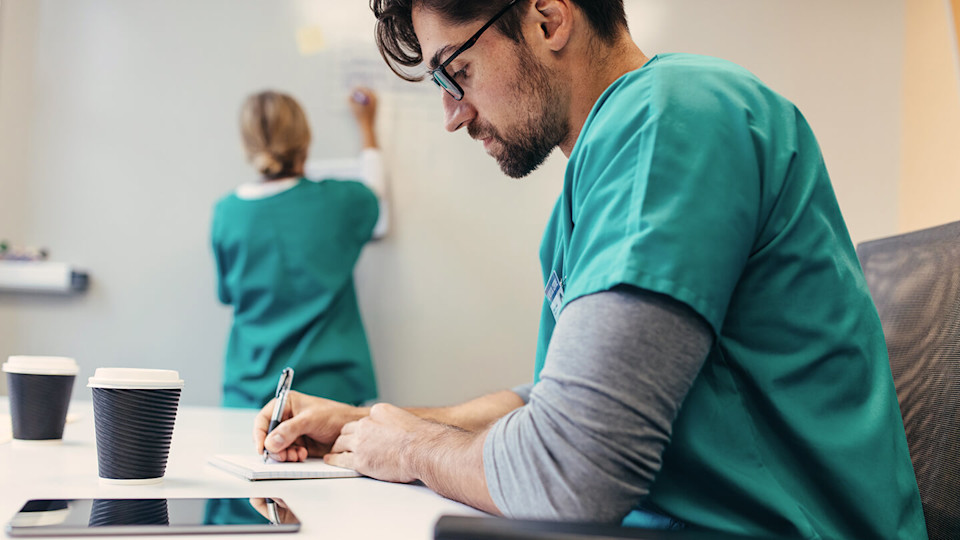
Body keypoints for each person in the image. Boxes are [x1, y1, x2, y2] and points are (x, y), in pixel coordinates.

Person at [252, 2, 928, 538]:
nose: (453, 113)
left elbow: (569, 471)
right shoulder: (616, 159)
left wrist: (414, 450)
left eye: (454, 70)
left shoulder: (671, 118)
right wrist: (372, 426)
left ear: (547, 17)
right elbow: (561, 401)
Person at [212, 87, 387, 409]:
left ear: (247, 146)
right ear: (305, 141)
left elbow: (227, 294)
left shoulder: (227, 213)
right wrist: (366, 125)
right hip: (328, 398)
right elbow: (374, 191)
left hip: (247, 398)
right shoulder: (339, 202)